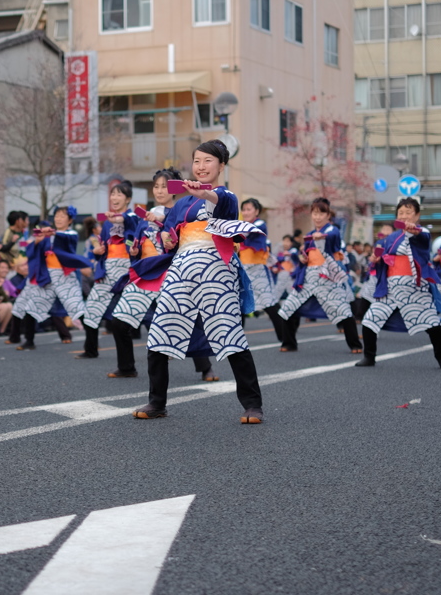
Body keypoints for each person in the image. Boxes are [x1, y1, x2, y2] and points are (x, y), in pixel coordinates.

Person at [132, 140, 264, 424]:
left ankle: (252, 404)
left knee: (230, 332)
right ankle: (157, 401)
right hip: (181, 269)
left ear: (221, 166)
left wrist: (203, 192)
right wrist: (168, 238)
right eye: (197, 161)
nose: (201, 167)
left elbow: (222, 203)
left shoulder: (224, 195)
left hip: (216, 271)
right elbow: (170, 239)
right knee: (160, 331)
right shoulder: (180, 205)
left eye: (208, 161)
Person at [108, 168, 217, 381]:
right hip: (147, 273)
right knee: (119, 320)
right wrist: (135, 252)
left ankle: (206, 368)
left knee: (189, 320)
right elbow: (138, 240)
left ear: (175, 188)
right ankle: (127, 366)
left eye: (165, 186)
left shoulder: (181, 211)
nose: (159, 190)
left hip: (170, 273)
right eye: (156, 186)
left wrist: (161, 219)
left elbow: (181, 238)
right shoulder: (144, 216)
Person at [356, 198, 441, 369]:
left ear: (417, 215)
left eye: (408, 212)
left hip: (414, 288)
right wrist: (377, 260)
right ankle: (369, 357)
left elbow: (422, 237)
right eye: (401, 213)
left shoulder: (420, 231)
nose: (404, 216)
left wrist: (414, 232)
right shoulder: (390, 238)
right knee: (370, 319)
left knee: (432, 324)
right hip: (391, 288)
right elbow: (384, 262)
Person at [277, 197, 363, 354]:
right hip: (309, 277)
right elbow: (307, 256)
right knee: (288, 308)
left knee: (343, 311)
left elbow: (331, 238)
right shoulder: (310, 234)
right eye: (314, 213)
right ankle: (289, 342)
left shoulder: (332, 230)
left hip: (327, 278)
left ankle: (355, 344)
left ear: (328, 215)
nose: (317, 216)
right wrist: (303, 258)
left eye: (321, 213)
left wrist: (321, 237)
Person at [10, 210, 90, 350]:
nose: (58, 219)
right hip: (48, 277)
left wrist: (53, 233)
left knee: (77, 308)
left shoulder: (70, 234)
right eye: (57, 216)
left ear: (70, 220)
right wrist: (36, 242)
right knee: (31, 308)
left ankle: (91, 342)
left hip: (65, 277)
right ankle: (29, 341)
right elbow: (31, 251)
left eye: (62, 216)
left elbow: (68, 238)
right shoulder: (46, 236)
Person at [80, 182, 142, 359]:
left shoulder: (132, 217)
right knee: (92, 306)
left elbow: (132, 234)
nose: (114, 198)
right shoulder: (107, 224)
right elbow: (104, 245)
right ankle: (90, 349)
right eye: (112, 194)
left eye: (119, 194)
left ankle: (163, 346)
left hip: (127, 269)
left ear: (128, 199)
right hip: (109, 268)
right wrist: (99, 251)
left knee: (142, 309)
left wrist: (118, 219)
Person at [237, 198, 287, 342]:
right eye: (244, 209)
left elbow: (245, 233)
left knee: (269, 305)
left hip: (258, 270)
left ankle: (285, 338)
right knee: (239, 305)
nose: (246, 212)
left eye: (249, 209)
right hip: (244, 271)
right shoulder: (241, 226)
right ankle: (238, 341)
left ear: (257, 211)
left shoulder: (259, 224)